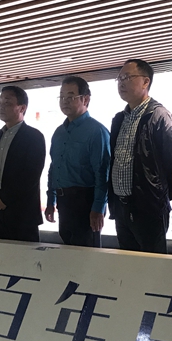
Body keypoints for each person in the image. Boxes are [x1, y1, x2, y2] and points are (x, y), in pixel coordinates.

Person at [108, 59, 172, 254]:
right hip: (122, 207)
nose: (121, 83)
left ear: (145, 81)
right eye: (119, 79)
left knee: (152, 265)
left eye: (127, 77)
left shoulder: (159, 116)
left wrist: (163, 200)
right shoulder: (119, 118)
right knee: (127, 263)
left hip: (149, 208)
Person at [45, 76, 111, 247]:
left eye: (71, 96)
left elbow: (102, 173)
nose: (65, 101)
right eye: (62, 96)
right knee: (68, 253)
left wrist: (98, 208)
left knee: (86, 255)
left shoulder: (97, 131)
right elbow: (54, 168)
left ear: (85, 99)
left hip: (85, 201)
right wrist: (51, 201)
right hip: (63, 202)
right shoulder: (59, 133)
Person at [0, 86, 46, 242]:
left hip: (23, 212)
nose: (1, 107)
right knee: (3, 254)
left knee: (26, 255)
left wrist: (5, 198)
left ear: (22, 108)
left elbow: (31, 175)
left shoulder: (34, 136)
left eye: (7, 103)